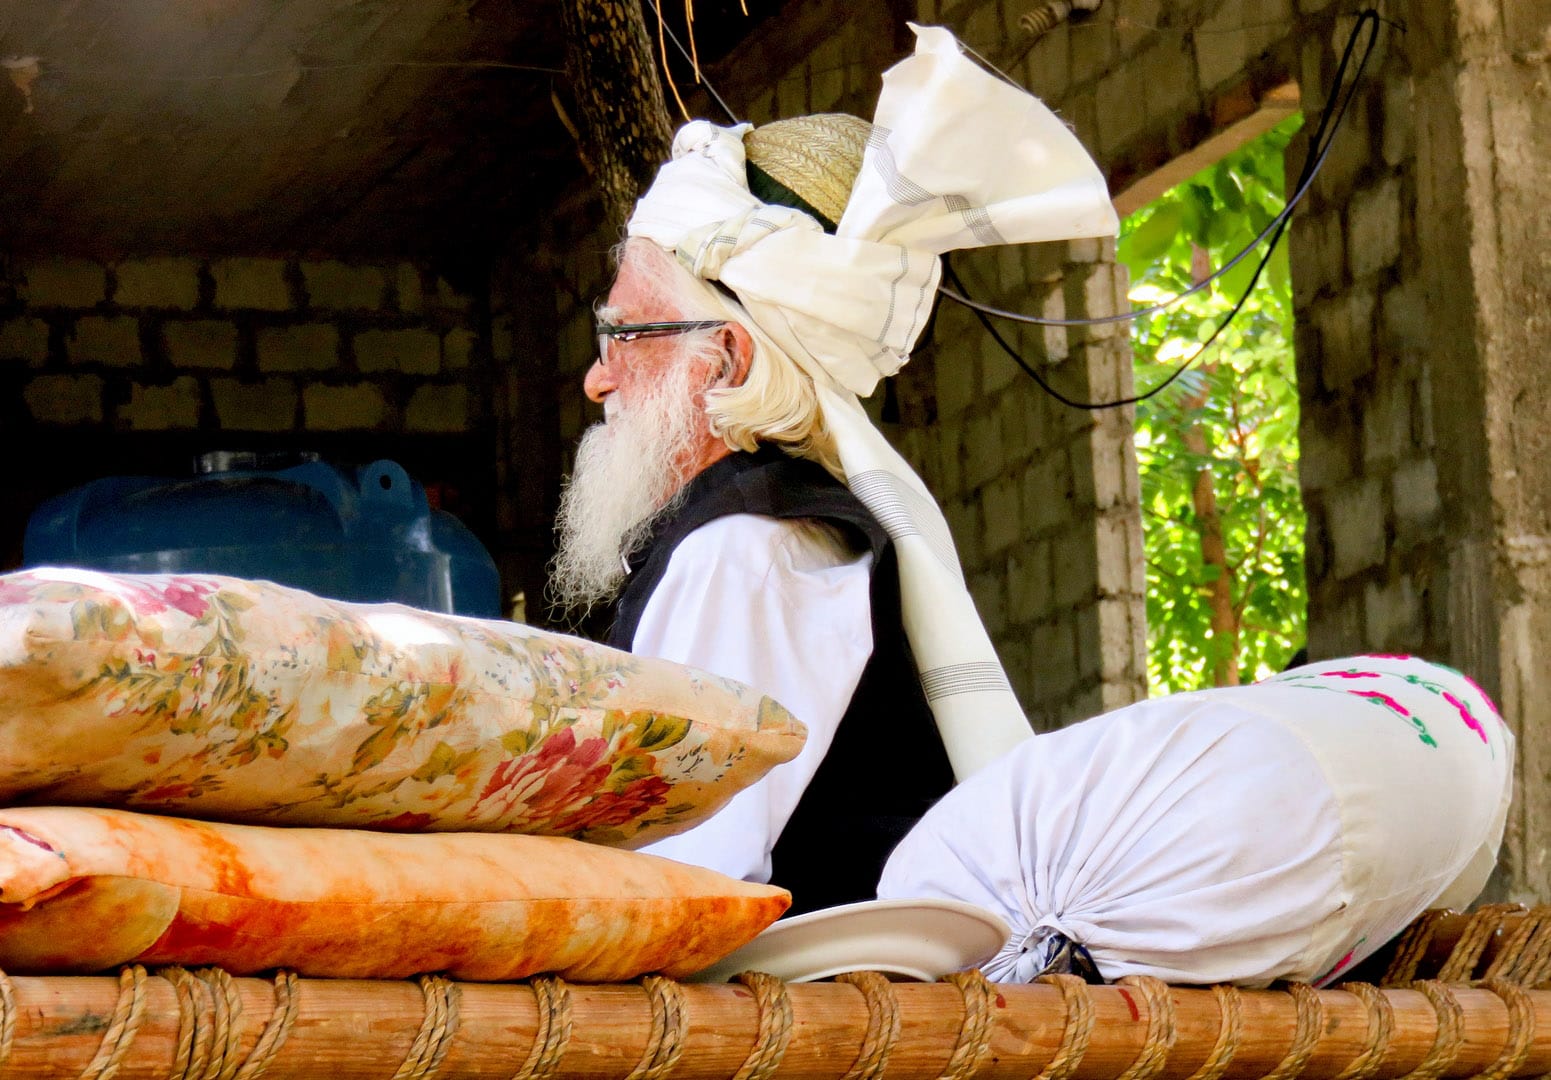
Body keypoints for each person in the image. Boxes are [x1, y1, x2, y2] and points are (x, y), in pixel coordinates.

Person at [548, 25, 1121, 913]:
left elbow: (683, 881)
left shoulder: (747, 553)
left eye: (623, 335)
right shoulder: (758, 529)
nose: (597, 379)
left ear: (725, 360)